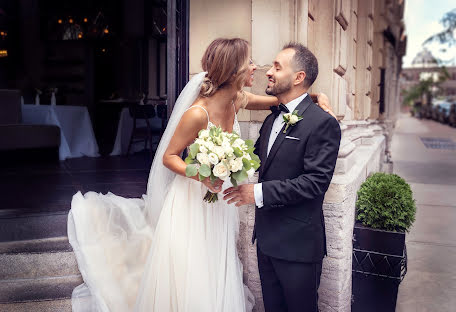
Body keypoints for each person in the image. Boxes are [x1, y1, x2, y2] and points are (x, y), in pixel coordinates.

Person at [68, 38, 334, 312]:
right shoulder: (197, 113)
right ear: (233, 71)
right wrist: (200, 176)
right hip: (192, 201)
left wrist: (314, 97)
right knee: (193, 268)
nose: (256, 67)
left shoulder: (238, 99)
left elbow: (279, 102)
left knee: (216, 263)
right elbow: (169, 157)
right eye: (249, 62)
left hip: (219, 203)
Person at [224, 43, 341, 312]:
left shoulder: (323, 123)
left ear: (299, 77)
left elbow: (315, 183)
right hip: (266, 242)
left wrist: (256, 193)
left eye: (277, 67)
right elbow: (250, 160)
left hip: (298, 247)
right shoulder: (271, 119)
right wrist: (213, 160)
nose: (268, 72)